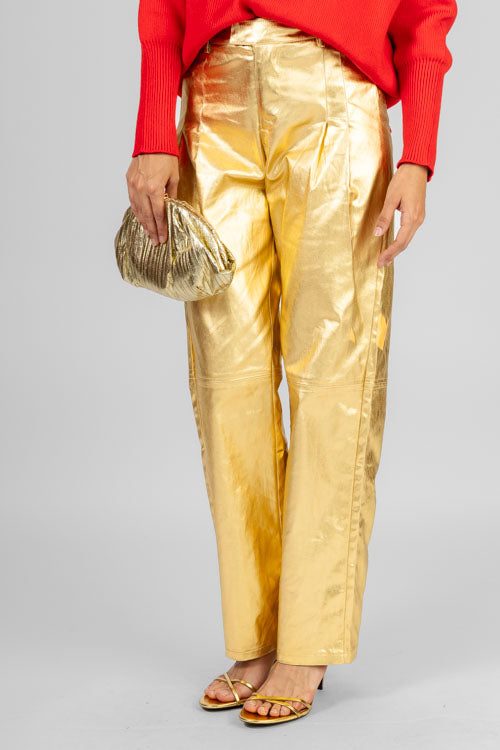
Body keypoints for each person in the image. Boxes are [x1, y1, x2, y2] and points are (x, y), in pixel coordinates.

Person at [125, 0, 458, 727]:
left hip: (332, 91)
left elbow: (429, 10)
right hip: (212, 100)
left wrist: (418, 153)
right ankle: (257, 633)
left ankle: (308, 641)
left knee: (334, 377)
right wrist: (154, 129)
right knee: (226, 381)